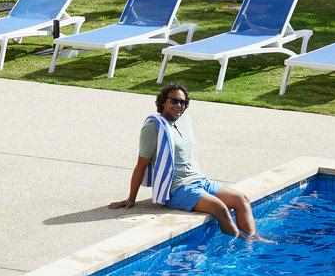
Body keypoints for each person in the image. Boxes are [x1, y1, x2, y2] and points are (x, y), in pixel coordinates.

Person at [110, 84, 268, 240]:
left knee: (241, 199)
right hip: (177, 189)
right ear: (163, 102)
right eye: (174, 101)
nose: (179, 105)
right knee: (219, 208)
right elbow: (142, 164)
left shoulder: (178, 124)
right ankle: (242, 244)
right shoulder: (153, 127)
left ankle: (253, 238)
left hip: (198, 181)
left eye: (183, 103)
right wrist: (131, 198)